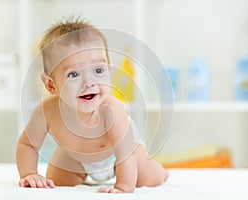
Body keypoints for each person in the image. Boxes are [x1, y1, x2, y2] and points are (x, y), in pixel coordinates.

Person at [16, 17, 169, 193]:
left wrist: (122, 188)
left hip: (120, 153)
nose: (89, 82)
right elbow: (27, 145)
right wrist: (29, 174)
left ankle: (161, 171)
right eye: (74, 74)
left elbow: (124, 153)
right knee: (57, 183)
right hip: (73, 156)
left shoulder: (111, 109)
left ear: (108, 69)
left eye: (98, 71)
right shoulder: (46, 111)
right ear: (51, 85)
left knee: (146, 177)